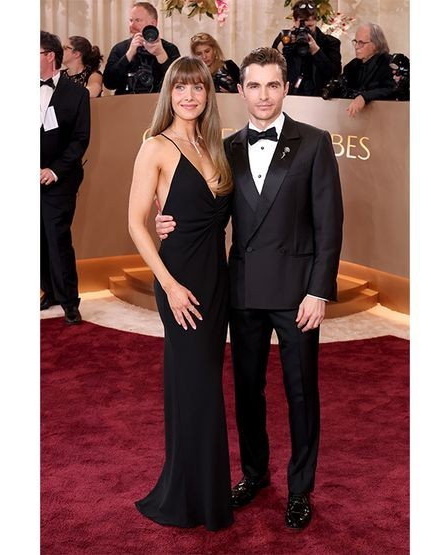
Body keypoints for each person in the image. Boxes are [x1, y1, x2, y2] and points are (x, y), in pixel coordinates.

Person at [156, 47, 344, 529]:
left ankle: (300, 488)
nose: (263, 95)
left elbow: (330, 223)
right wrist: (165, 221)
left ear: (286, 88)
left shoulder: (315, 142)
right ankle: (256, 473)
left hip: (298, 293)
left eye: (272, 85)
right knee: (247, 390)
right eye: (254, 85)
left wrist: (318, 290)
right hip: (241, 290)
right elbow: (209, 211)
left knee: (301, 393)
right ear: (240, 91)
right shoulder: (227, 147)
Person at [127, 56, 235, 531]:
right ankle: (190, 497)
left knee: (205, 383)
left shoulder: (215, 146)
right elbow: (135, 223)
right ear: (168, 93)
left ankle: (203, 490)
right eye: (180, 88)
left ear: (209, 95)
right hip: (181, 282)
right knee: (197, 386)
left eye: (198, 89)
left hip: (217, 279)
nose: (189, 97)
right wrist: (169, 286)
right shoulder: (155, 146)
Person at [40, 31, 90, 324]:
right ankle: (50, 291)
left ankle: (70, 300)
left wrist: (54, 170)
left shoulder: (76, 93)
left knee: (57, 238)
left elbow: (80, 140)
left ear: (49, 56)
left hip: (60, 179)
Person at [103, 2, 182, 94]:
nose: (132, 25)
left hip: (159, 104)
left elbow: (179, 83)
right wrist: (129, 55)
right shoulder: (120, 49)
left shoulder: (169, 49)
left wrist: (161, 55)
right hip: (126, 104)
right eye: (131, 20)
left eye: (138, 20)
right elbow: (109, 83)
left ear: (153, 23)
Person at [270, 1, 341, 96]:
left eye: (310, 26)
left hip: (319, 98)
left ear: (316, 21)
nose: (305, 31)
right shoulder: (284, 39)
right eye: (302, 26)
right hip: (290, 96)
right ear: (294, 21)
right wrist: (281, 49)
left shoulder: (330, 43)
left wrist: (316, 51)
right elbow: (270, 71)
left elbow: (335, 74)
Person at [340, 22, 397, 117]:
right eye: (355, 41)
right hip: (353, 118)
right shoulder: (351, 66)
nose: (356, 47)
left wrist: (364, 97)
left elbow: (391, 89)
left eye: (361, 43)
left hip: (383, 118)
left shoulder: (389, 63)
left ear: (375, 44)